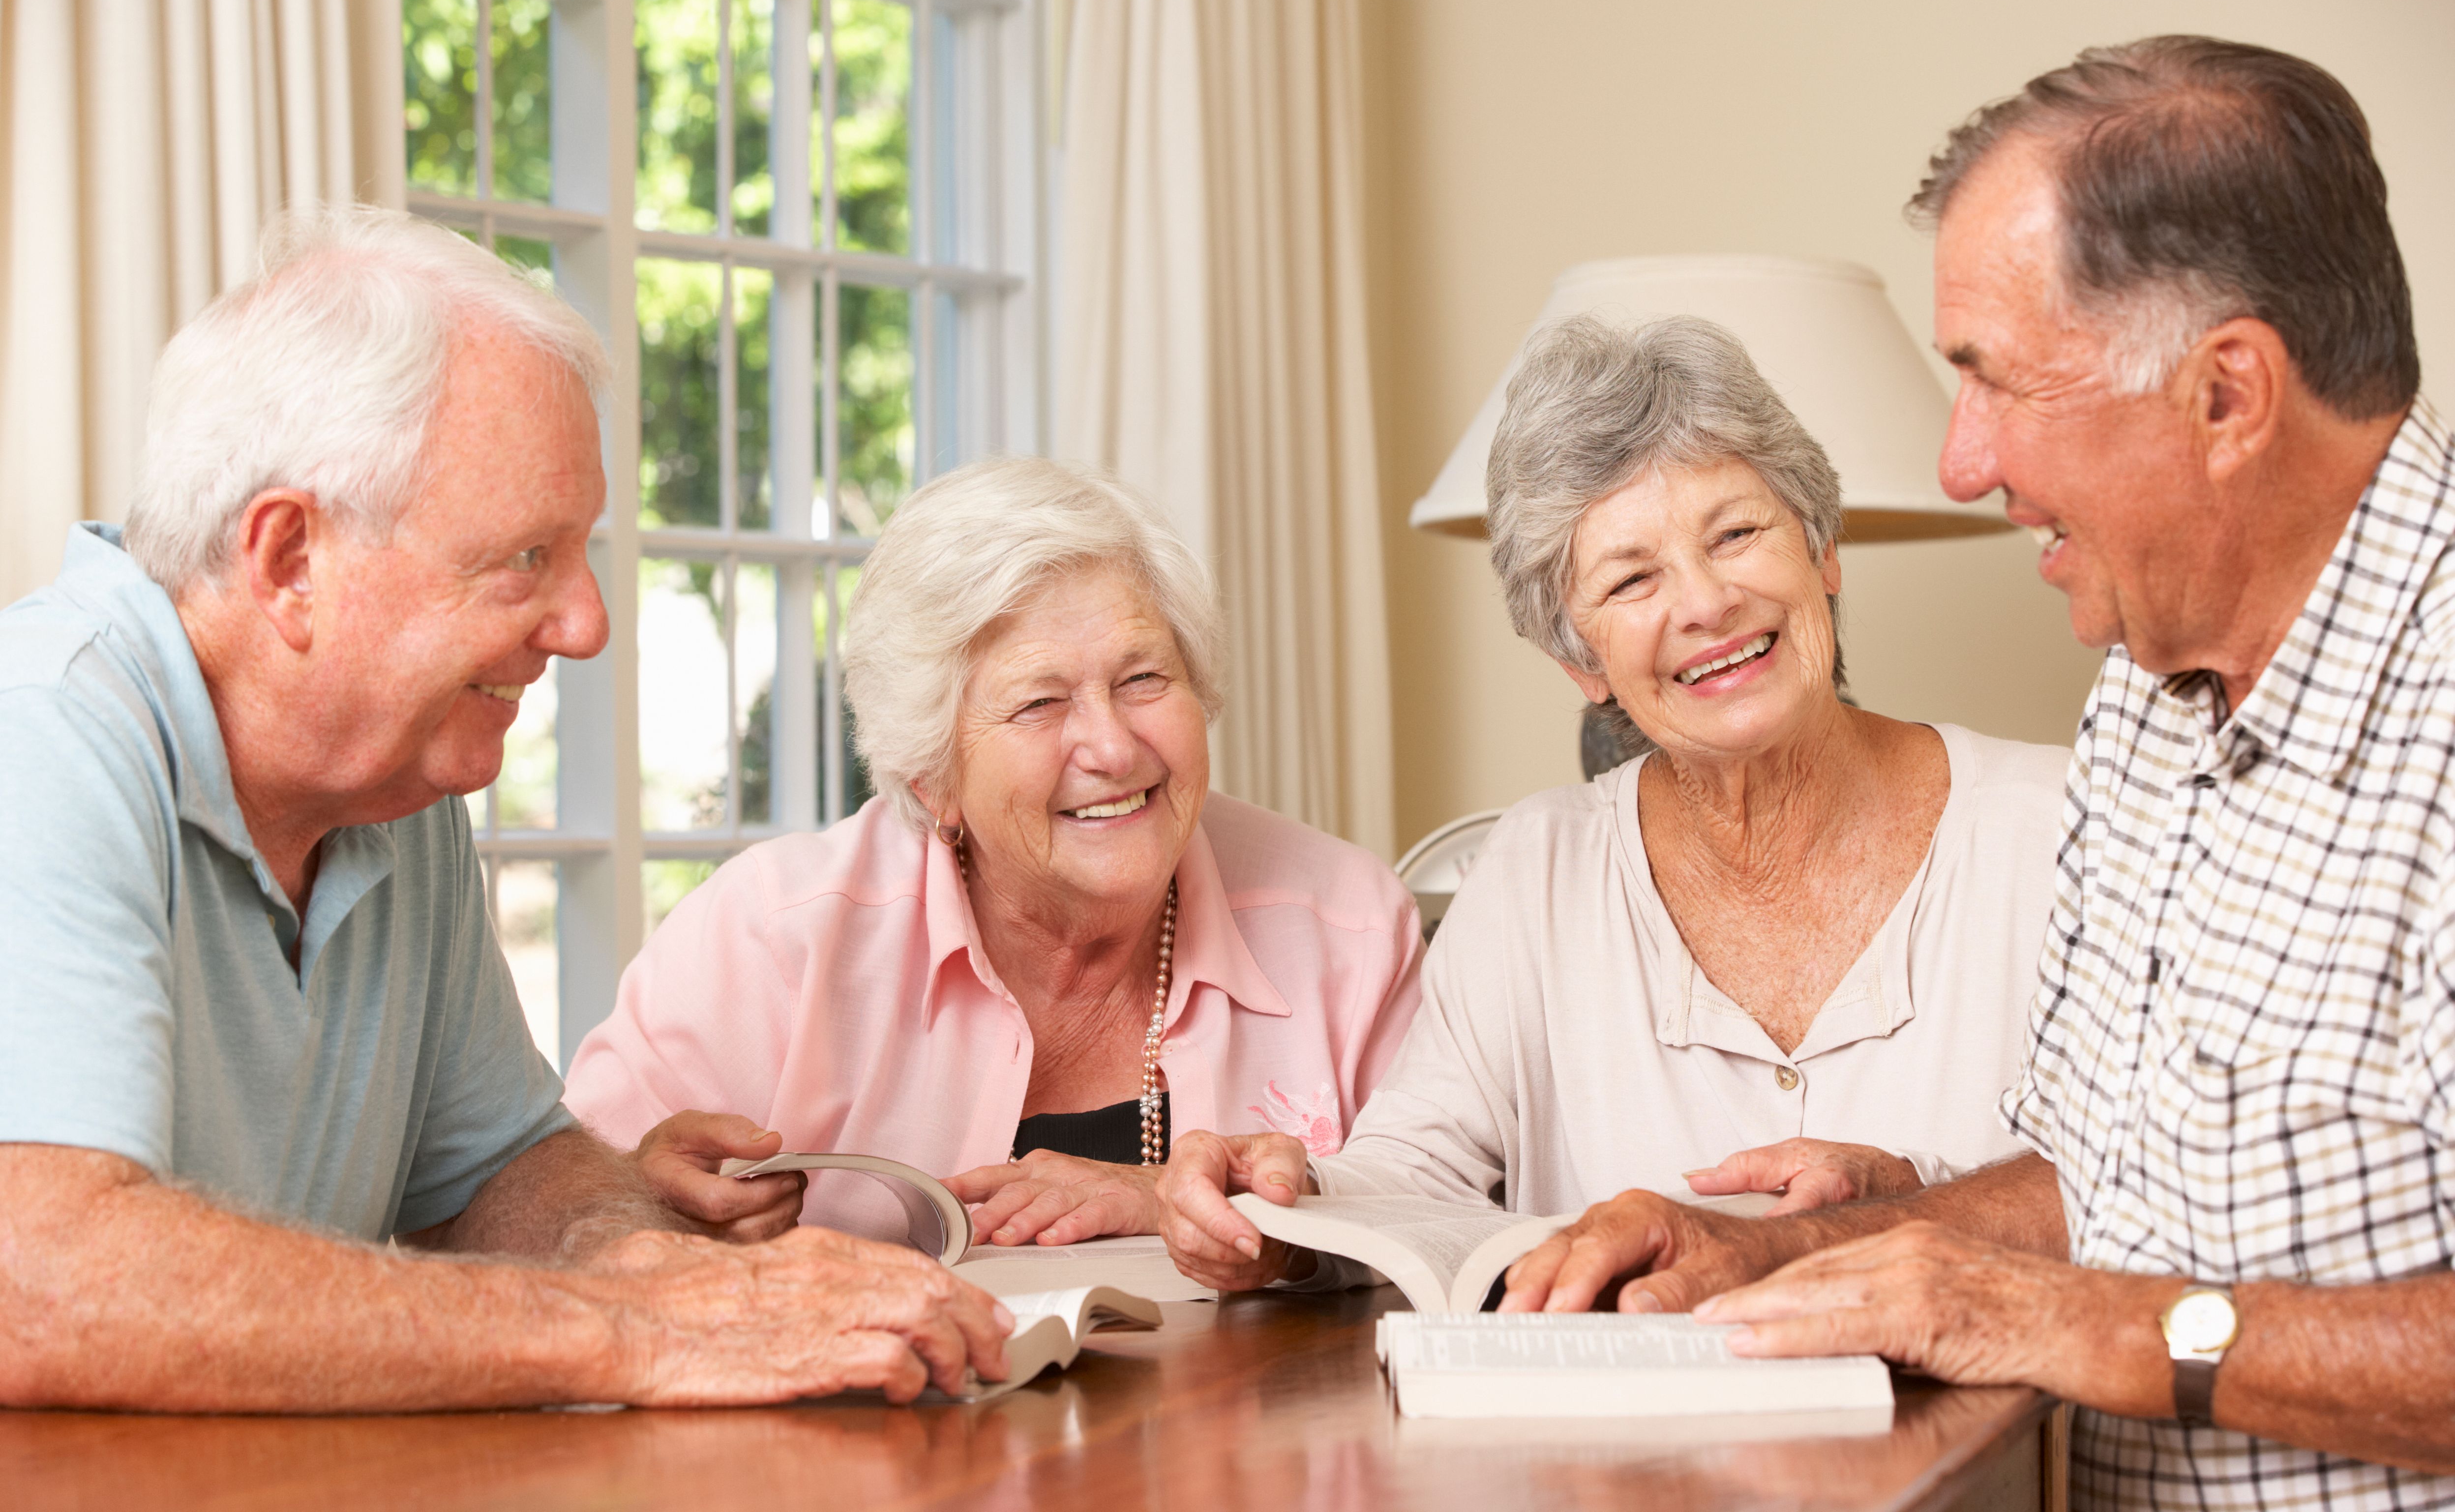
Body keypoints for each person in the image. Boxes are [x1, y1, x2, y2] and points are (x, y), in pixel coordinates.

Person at [1496, 37, 2455, 1507]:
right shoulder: (2147, 688)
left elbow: (2081, 1302)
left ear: (2228, 394)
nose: (1962, 461)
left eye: (1996, 379)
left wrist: (2083, 1326)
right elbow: (2096, 1179)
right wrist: (1788, 1250)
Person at [0, 207, 1011, 1412]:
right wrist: (635, 1326)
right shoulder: (40, 736)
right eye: (527, 558)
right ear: (290, 561)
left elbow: (497, 1170)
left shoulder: (393, 779)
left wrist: (646, 1262)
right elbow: (41, 1278)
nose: (586, 624)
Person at [1153, 313, 2070, 1293]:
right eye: (1633, 579)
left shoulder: (2062, 825)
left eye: (1737, 534)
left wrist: (1904, 1202)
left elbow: (2150, 1176)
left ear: (1823, 553)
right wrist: (1281, 1207)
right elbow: (1414, 1174)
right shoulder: (1537, 870)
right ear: (1580, 661)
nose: (1706, 603)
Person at [560, 456, 1424, 1250]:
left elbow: (1447, 1219)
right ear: (933, 777)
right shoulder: (772, 940)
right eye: (1039, 703)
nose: (1112, 748)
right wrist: (646, 1206)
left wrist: (1167, 1197)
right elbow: (560, 1220)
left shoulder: (1346, 928)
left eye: (1143, 679)